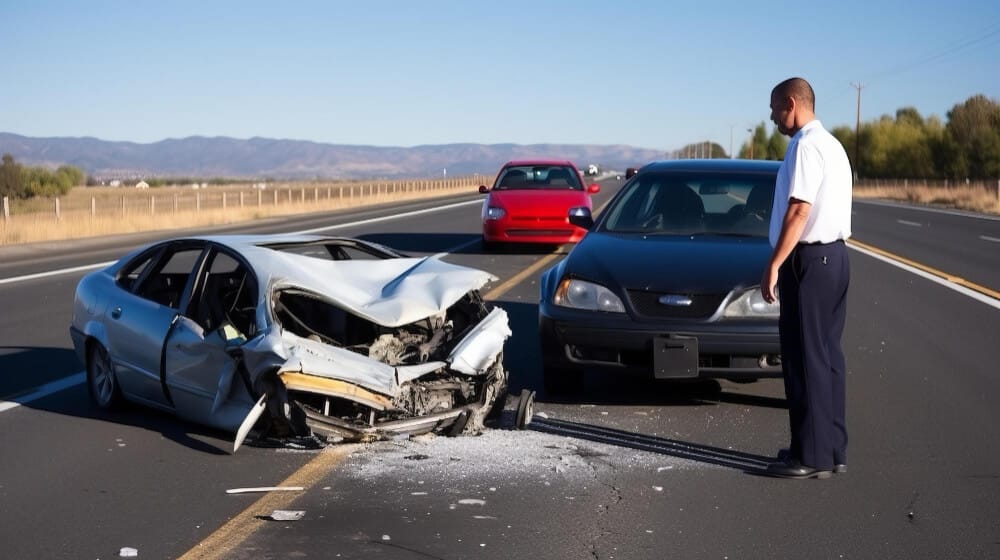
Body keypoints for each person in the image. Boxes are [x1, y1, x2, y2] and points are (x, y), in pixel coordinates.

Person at [760, 77, 853, 479]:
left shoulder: (805, 146)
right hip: (835, 258)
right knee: (828, 356)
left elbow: (799, 210)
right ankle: (829, 449)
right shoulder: (832, 145)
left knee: (804, 356)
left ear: (792, 103)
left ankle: (810, 458)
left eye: (775, 108)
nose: (771, 117)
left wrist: (775, 263)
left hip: (810, 261)